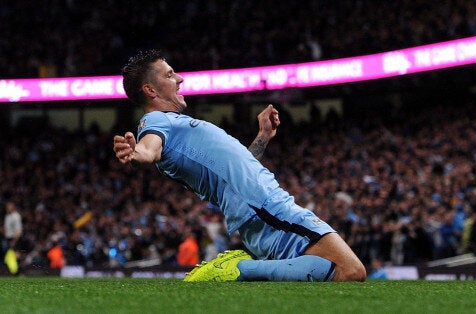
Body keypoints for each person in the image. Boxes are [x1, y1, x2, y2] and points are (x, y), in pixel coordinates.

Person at [113, 50, 366, 282]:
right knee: (351, 271)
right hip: (265, 205)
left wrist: (262, 137)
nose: (179, 79)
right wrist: (136, 153)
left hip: (259, 207)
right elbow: (149, 149)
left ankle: (243, 270)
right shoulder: (156, 120)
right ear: (151, 90)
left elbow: (237, 167)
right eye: (169, 75)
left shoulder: (174, 125)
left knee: (322, 272)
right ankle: (239, 269)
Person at [3, 202, 22, 274]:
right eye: (7, 207)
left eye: (9, 207)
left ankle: (18, 272)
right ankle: (13, 271)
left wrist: (14, 241)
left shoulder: (16, 216)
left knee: (16, 254)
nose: (8, 208)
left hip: (14, 238)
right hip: (8, 238)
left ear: (13, 207)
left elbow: (19, 230)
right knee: (9, 255)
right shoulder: (7, 216)